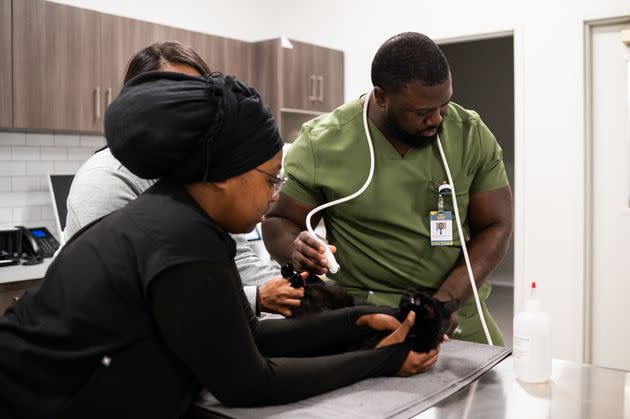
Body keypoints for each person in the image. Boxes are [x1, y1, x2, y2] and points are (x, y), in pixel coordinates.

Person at [0, 72, 441, 419]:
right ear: (224, 178)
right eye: (271, 179)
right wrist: (382, 362)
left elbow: (245, 337)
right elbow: (248, 381)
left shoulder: (179, 218)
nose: (275, 196)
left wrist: (359, 321)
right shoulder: (179, 237)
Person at [262, 32, 513, 345]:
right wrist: (295, 248)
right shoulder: (323, 142)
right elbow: (278, 221)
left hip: (455, 308)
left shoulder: (469, 134)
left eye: (444, 105)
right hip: (364, 315)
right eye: (422, 112)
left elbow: (496, 225)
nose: (436, 119)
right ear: (381, 97)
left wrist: (445, 301)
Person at [64, 41, 301, 317]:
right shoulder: (105, 179)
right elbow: (129, 293)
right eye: (179, 95)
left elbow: (238, 258)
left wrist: (289, 288)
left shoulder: (200, 175)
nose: (195, 109)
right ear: (137, 101)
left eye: (201, 96)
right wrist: (256, 298)